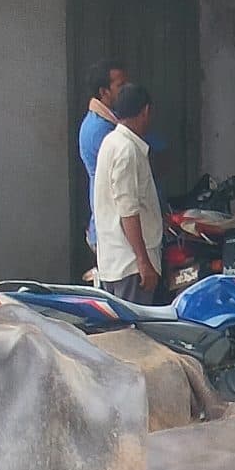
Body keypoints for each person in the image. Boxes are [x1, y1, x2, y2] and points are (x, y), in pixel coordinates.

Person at [92, 84, 165, 305]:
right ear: (145, 111)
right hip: (130, 266)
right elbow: (128, 212)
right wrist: (143, 262)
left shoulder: (110, 142)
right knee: (133, 335)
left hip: (115, 264)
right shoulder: (127, 149)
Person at [80, 59, 130, 250]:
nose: (126, 90)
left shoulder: (112, 121)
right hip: (111, 230)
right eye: (120, 86)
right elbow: (121, 185)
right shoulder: (100, 129)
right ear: (104, 92)